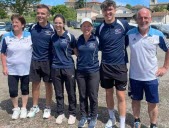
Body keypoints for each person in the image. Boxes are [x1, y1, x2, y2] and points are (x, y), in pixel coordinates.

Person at [126, 8, 169, 128]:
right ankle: (136, 120)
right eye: (140, 17)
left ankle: (153, 124)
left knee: (153, 102)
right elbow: (119, 48)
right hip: (134, 76)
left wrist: (165, 67)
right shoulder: (130, 34)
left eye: (146, 18)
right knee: (135, 101)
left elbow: (168, 48)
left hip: (152, 77)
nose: (143, 20)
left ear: (150, 19)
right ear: (136, 19)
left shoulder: (158, 34)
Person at [95, 0, 130, 128]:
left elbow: (127, 41)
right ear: (102, 12)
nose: (108, 12)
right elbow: (98, 45)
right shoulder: (100, 27)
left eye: (110, 9)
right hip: (105, 65)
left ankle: (122, 124)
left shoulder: (124, 24)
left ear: (114, 10)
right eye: (105, 10)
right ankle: (112, 118)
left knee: (121, 95)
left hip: (120, 65)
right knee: (108, 93)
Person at [0, 14, 32, 119]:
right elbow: (3, 53)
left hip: (26, 69)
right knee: (13, 90)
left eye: (17, 22)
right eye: (13, 22)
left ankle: (23, 108)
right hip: (12, 69)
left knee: (25, 89)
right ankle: (16, 108)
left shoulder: (29, 35)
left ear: (22, 25)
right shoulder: (6, 37)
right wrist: (4, 67)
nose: (14, 24)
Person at [27, 4, 54, 119]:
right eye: (38, 13)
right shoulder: (32, 27)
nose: (40, 15)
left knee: (48, 85)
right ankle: (35, 106)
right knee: (35, 85)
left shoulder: (52, 28)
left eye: (43, 13)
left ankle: (48, 107)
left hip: (48, 61)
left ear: (47, 15)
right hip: (35, 61)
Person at [51, 14, 77, 125]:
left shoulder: (70, 37)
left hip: (68, 68)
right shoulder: (52, 37)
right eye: (56, 23)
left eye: (60, 23)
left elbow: (76, 52)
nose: (58, 25)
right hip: (56, 68)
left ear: (64, 24)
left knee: (71, 92)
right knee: (59, 93)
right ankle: (60, 113)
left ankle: (72, 113)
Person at [76, 17, 100, 128]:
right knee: (82, 95)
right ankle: (84, 116)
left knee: (93, 95)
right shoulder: (78, 40)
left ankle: (94, 116)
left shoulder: (96, 39)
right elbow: (75, 51)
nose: (86, 28)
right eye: (84, 26)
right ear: (81, 27)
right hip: (80, 71)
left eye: (88, 25)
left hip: (93, 72)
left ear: (91, 27)